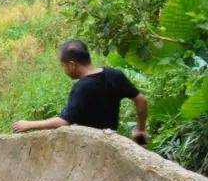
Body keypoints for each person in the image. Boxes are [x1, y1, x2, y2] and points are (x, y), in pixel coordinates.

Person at [12, 39, 149, 145]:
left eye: (63, 66)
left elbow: (63, 122)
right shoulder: (114, 74)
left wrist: (29, 124)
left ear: (72, 65)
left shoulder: (82, 88)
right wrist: (141, 129)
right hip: (111, 138)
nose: (64, 70)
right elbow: (141, 100)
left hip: (89, 146)